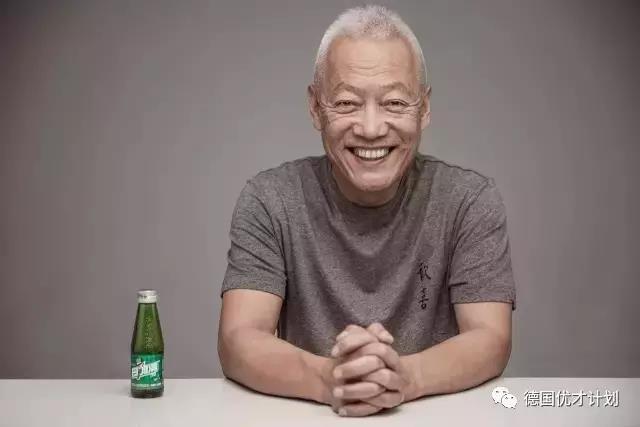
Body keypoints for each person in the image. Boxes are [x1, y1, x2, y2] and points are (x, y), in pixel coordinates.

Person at [218, 5, 516, 417]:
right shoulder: (271, 200)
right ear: (315, 107)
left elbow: (491, 338)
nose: (371, 128)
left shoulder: (468, 201)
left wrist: (406, 378)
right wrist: (328, 380)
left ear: (424, 109)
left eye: (394, 102)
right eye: (346, 102)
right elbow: (237, 339)